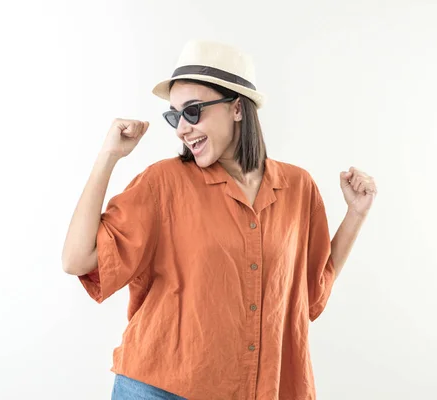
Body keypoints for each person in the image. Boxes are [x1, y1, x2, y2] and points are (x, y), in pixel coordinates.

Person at [61, 40, 377, 400]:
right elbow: (76, 259)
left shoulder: (298, 186)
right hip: (158, 388)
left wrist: (356, 214)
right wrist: (109, 156)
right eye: (174, 116)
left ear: (238, 108)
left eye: (193, 111)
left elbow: (309, 294)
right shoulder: (164, 183)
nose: (182, 128)